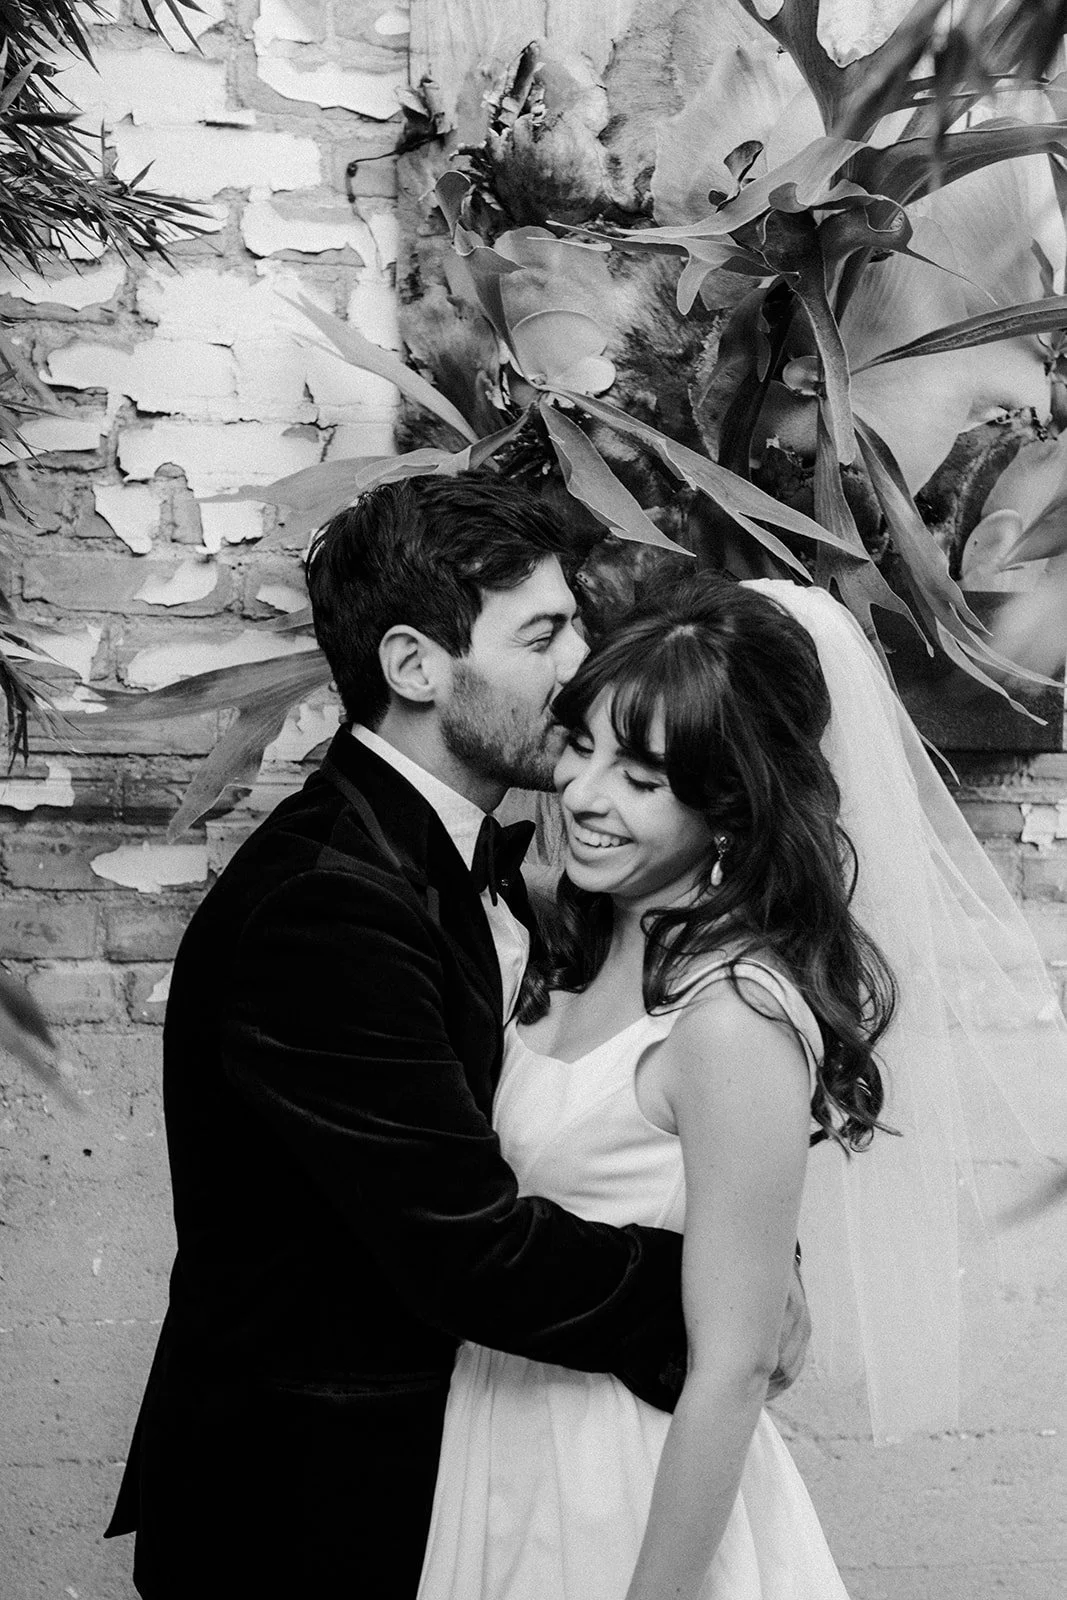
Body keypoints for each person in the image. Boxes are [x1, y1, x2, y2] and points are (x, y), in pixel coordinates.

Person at [104, 476, 809, 1599]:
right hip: (307, 1514)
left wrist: (746, 1246)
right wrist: (725, 1299)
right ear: (415, 666)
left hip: (458, 1484)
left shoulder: (484, 871)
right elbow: (464, 1251)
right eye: (543, 633)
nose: (578, 661)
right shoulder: (327, 903)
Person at [414, 572, 1067, 1600]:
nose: (582, 793)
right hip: (497, 1442)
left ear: (727, 805)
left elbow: (731, 1369)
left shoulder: (731, 1020)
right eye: (580, 746)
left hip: (623, 1483)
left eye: (641, 777)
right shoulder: (566, 950)